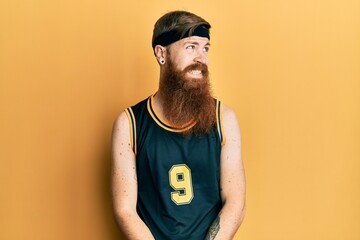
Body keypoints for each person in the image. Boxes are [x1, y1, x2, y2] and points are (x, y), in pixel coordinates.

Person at [111, 10, 246, 240]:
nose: (201, 59)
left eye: (205, 48)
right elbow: (125, 210)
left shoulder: (224, 118)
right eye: (191, 47)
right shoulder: (129, 125)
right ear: (161, 53)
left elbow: (235, 203)